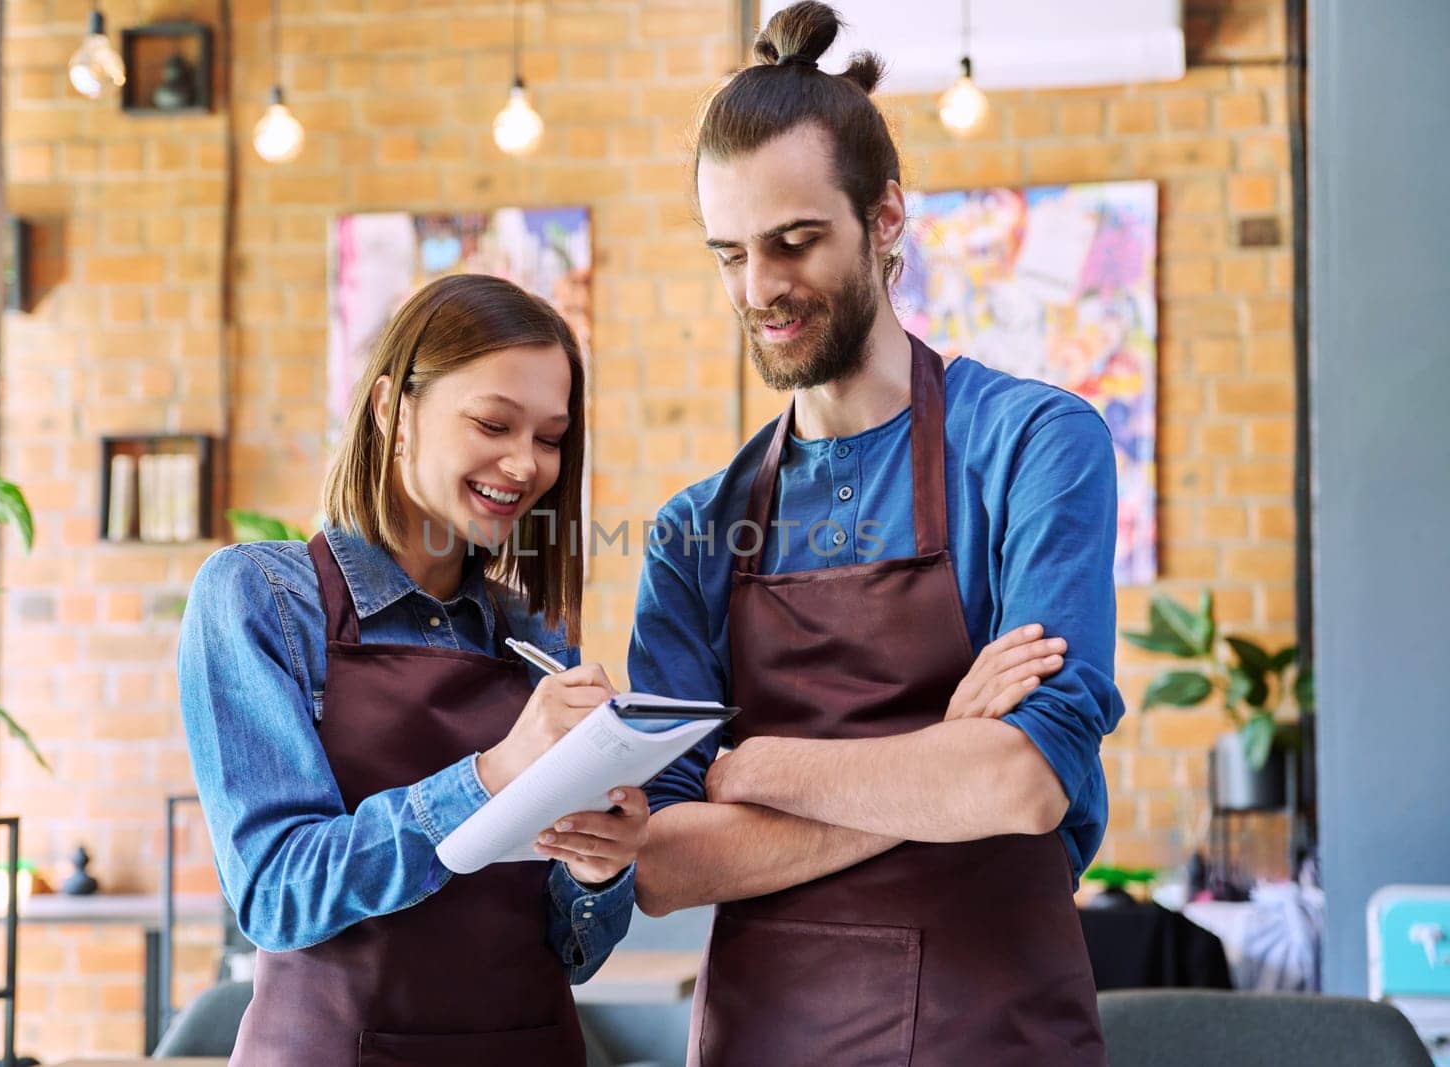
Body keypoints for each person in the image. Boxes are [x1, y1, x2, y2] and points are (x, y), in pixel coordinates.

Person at [629, 3, 1121, 1063]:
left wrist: (751, 768)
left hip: (988, 1031)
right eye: (730, 254)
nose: (759, 288)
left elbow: (1020, 781)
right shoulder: (692, 532)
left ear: (885, 217)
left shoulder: (1034, 444)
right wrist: (941, 747)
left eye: (794, 241)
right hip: (765, 1036)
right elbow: (663, 862)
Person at [179, 274, 648, 1066]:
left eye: (550, 436)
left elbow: (574, 954)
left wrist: (603, 872)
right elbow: (276, 891)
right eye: (494, 423)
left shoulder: (534, 636)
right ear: (392, 408)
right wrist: (493, 776)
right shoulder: (260, 599)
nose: (525, 463)